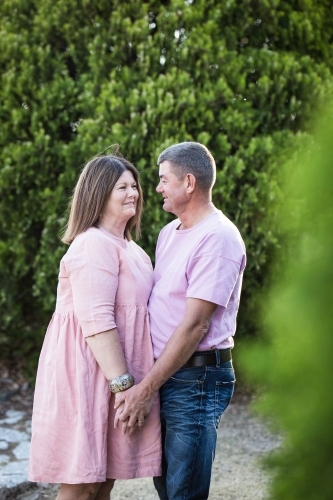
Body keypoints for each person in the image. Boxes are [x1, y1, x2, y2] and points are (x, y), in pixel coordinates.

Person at [115, 142, 246, 500]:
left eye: (163, 179)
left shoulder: (218, 238)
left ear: (189, 182)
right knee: (167, 484)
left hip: (197, 378)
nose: (156, 188)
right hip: (168, 373)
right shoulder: (169, 233)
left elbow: (194, 327)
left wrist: (145, 389)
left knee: (183, 491)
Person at [29, 155, 161, 500]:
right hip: (87, 375)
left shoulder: (133, 250)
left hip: (116, 373)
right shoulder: (93, 244)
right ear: (100, 194)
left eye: (135, 185)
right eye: (122, 187)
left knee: (104, 478)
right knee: (83, 481)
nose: (133, 192)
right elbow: (97, 320)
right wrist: (124, 387)